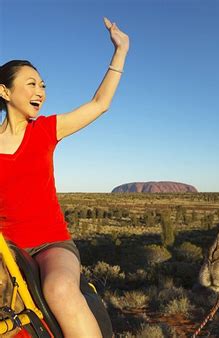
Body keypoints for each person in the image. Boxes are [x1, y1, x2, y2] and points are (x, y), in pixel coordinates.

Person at [0, 18, 129, 337]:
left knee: (59, 290)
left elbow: (100, 104)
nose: (40, 91)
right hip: (6, 246)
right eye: (31, 83)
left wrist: (120, 51)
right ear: (4, 90)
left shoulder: (45, 130)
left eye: (42, 85)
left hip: (50, 243)